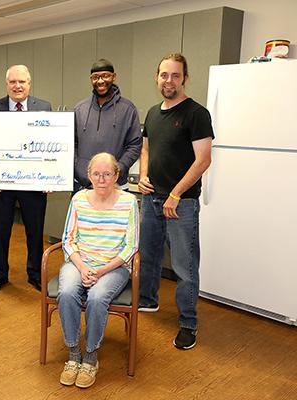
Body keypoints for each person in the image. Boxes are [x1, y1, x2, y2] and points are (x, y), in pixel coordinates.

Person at [137, 53, 213, 350]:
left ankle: (188, 323)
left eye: (175, 76)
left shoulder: (196, 113)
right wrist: (143, 176)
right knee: (149, 256)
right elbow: (146, 149)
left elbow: (203, 160)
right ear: (156, 77)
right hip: (151, 200)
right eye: (164, 75)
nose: (169, 81)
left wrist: (176, 194)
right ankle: (147, 300)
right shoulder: (153, 112)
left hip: (180, 204)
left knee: (184, 266)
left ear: (184, 79)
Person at [58, 152, 138, 389]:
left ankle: (91, 357)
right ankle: (73, 354)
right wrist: (82, 266)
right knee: (67, 291)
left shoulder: (128, 202)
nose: (102, 179)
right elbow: (68, 240)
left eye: (107, 174)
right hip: (80, 262)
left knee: (96, 297)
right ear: (89, 176)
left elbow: (131, 246)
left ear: (116, 175)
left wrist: (102, 270)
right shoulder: (79, 199)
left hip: (113, 266)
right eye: (96, 174)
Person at [0, 64, 52, 294]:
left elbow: (50, 146)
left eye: (22, 81)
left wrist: (51, 177)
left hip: (33, 183)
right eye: (13, 82)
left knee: (35, 231)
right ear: (7, 85)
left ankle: (34, 274)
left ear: (29, 83)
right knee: (0, 231)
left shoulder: (44, 108)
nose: (17, 86)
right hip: (1, 186)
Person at [73, 59, 142, 193]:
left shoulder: (128, 109)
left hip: (116, 186)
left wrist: (118, 170)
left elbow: (134, 145)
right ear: (91, 79)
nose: (100, 81)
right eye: (95, 77)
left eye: (105, 75)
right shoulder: (79, 109)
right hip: (83, 186)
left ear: (114, 77)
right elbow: (71, 144)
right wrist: (78, 168)